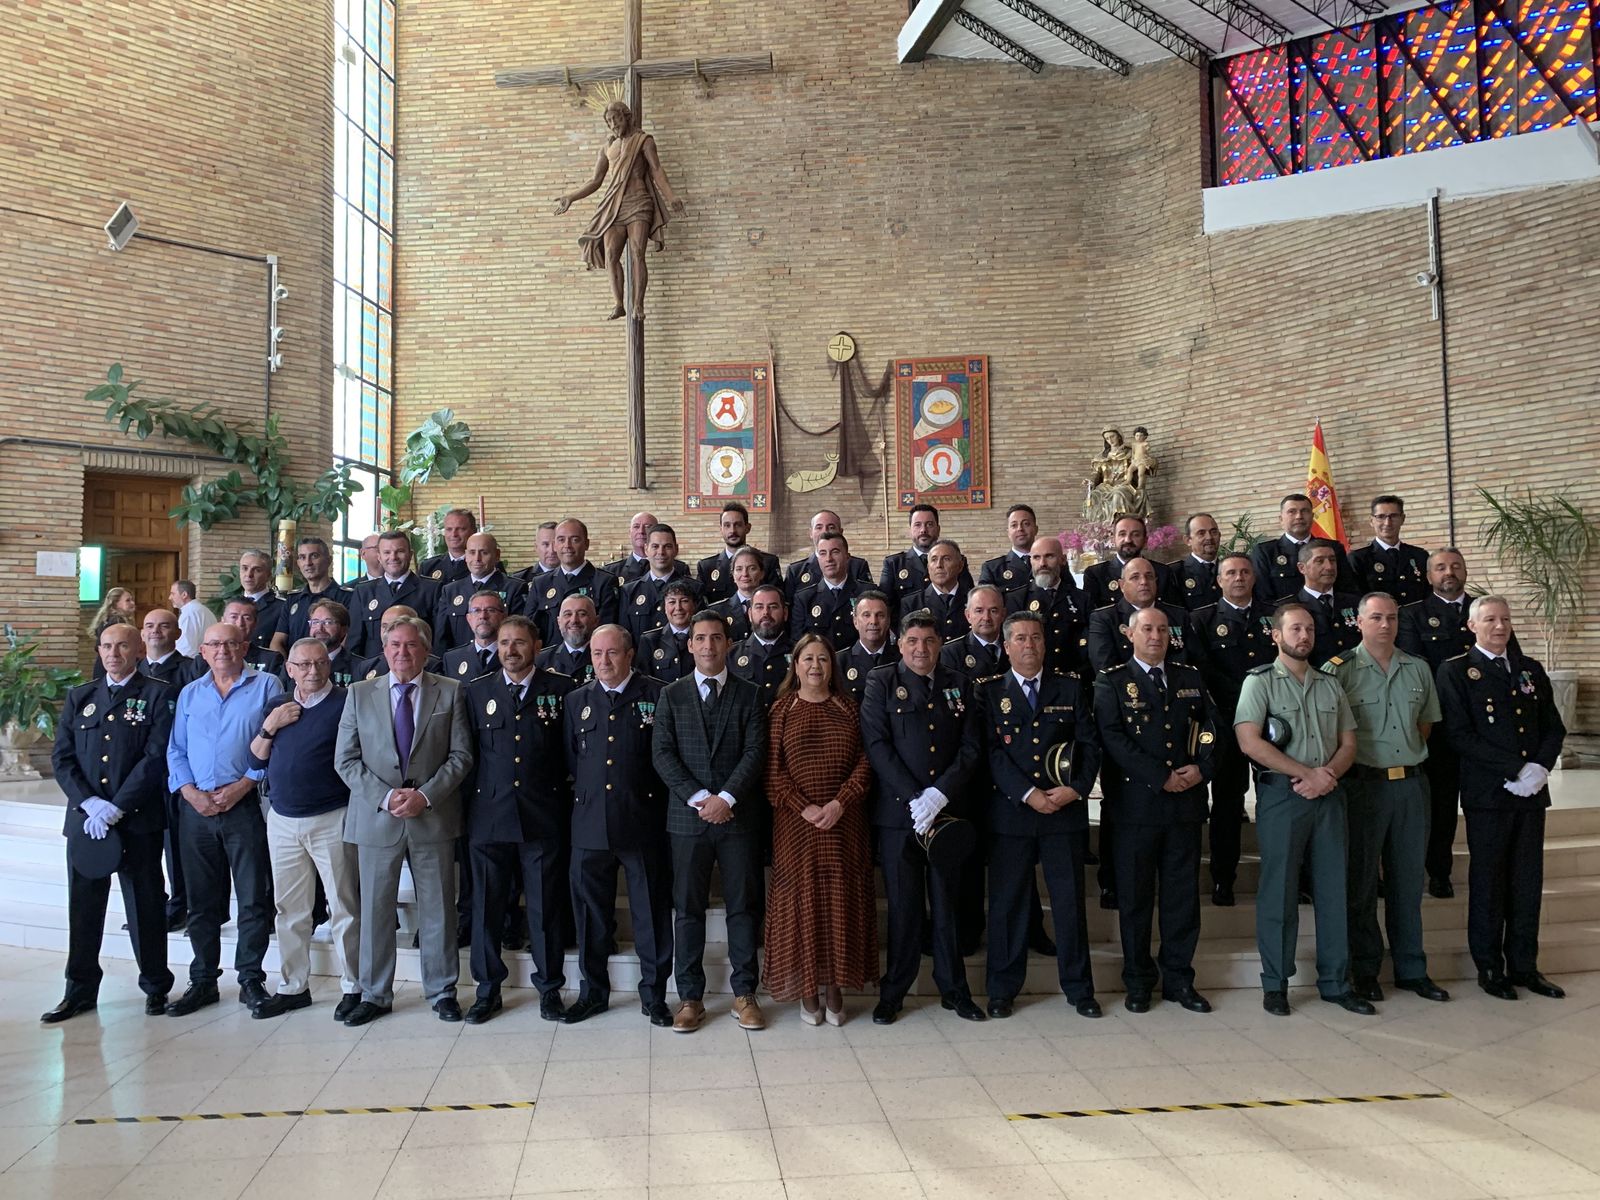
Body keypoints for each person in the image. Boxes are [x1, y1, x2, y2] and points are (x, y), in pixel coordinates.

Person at [334, 617, 474, 1024]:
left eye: (411, 645)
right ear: (384, 648)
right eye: (394, 644)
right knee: (376, 911)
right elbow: (345, 759)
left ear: (425, 650)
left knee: (438, 910)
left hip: (432, 817)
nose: (402, 652)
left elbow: (461, 756)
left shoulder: (450, 692)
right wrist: (386, 797)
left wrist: (425, 795)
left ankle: (442, 989)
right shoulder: (359, 694)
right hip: (377, 818)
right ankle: (375, 993)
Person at [1234, 602, 1371, 1017]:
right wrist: (1305, 775)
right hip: (1282, 796)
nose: (1303, 636)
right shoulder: (1259, 683)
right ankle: (1275, 984)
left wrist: (1326, 774)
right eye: (1294, 629)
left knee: (1334, 891)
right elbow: (1249, 741)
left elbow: (1349, 741)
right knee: (1279, 892)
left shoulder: (1330, 684)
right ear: (1276, 635)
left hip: (1329, 794)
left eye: (1309, 629)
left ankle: (1335, 982)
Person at [1436, 596, 1567, 1001]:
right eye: (1490, 619)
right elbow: (1459, 735)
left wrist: (1539, 769)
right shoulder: (1456, 671)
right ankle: (1490, 967)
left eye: (1505, 619)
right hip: (1489, 795)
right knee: (1489, 881)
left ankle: (1525, 965)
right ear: (1472, 626)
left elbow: (1553, 727)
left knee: (1528, 882)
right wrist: (1514, 769)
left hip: (1531, 794)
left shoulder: (1530, 669)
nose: (1499, 626)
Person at [43, 624, 175, 1023]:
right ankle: (79, 990)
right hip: (87, 824)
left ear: (138, 650)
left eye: (121, 646)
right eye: (106, 646)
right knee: (83, 909)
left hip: (136, 822)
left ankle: (155, 986)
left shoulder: (158, 694)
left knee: (146, 907)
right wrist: (90, 804)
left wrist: (117, 806)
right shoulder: (80, 696)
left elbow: (155, 758)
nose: (113, 653)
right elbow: (62, 759)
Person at [1322, 594, 1449, 1004]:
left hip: (1411, 786)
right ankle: (1365, 970)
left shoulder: (1418, 668)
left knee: (1408, 882)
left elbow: (1425, 726)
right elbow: (1329, 735)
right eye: (1375, 617)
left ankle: (1413, 969)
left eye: (1391, 618)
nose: (1384, 625)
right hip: (1364, 787)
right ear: (1358, 622)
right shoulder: (1338, 671)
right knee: (1360, 884)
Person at [861, 610, 982, 1024]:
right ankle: (894, 991)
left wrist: (938, 794)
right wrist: (915, 799)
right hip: (899, 817)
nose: (921, 649)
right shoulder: (881, 682)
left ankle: (955, 990)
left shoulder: (960, 685)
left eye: (929, 641)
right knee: (904, 907)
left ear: (940, 645)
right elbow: (876, 744)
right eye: (912, 641)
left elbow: (970, 748)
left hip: (947, 815)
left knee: (948, 905)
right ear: (900, 645)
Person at [981, 612, 1102, 1020]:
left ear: (1045, 644)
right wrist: (1029, 794)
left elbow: (1090, 743)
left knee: (1069, 905)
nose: (1028, 645)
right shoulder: (990, 691)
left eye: (1035, 637)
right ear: (1007, 645)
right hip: (1012, 814)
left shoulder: (1069, 687)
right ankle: (1002, 989)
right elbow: (991, 753)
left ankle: (1080, 989)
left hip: (1064, 814)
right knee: (1008, 906)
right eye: (1019, 638)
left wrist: (1077, 788)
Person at [652, 611, 768, 1033]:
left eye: (716, 638)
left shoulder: (752, 695)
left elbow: (756, 751)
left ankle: (744, 993)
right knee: (688, 910)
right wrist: (703, 799)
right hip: (687, 819)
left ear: (729, 644)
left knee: (743, 907)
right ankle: (689, 998)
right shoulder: (671, 695)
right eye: (700, 638)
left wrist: (727, 798)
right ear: (689, 645)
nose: (707, 646)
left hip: (738, 818)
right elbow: (662, 754)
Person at [1095, 607, 1215, 1014]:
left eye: (1163, 629)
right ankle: (1139, 981)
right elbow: (1112, 738)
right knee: (1135, 900)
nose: (1156, 636)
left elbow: (1213, 729)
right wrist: (1158, 777)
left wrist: (1202, 768)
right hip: (1136, 809)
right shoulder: (1112, 681)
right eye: (1147, 629)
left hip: (1184, 806)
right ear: (1130, 633)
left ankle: (1180, 980)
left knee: (1182, 900)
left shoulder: (1190, 677)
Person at [462, 615, 577, 1023]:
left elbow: (571, 755)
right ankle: (487, 989)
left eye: (519, 643)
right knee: (487, 908)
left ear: (537, 645)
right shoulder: (476, 693)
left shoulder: (562, 690)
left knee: (545, 909)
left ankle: (549, 989)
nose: (510, 650)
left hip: (542, 816)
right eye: (504, 642)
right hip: (488, 817)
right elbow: (468, 757)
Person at [165, 622, 283, 1015]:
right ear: (202, 651)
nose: (223, 651)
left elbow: (277, 745)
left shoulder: (267, 687)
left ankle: (251, 978)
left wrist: (245, 784)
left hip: (243, 805)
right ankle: (202, 980)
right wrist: (189, 792)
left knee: (252, 898)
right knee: (201, 901)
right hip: (196, 809)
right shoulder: (189, 694)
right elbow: (175, 750)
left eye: (231, 643)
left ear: (245, 646)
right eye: (214, 644)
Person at [563, 625, 674, 1026]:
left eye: (611, 653)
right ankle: (593, 993)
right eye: (596, 654)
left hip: (642, 820)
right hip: (590, 823)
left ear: (629, 654)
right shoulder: (577, 700)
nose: (603, 661)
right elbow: (572, 760)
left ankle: (654, 995)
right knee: (591, 916)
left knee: (650, 913)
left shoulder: (657, 695)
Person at [246, 637, 362, 1020]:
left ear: (328, 667)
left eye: (319, 664)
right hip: (281, 819)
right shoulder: (277, 705)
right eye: (303, 665)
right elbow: (255, 758)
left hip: (331, 816)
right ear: (290, 669)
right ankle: (294, 986)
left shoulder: (346, 702)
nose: (312, 671)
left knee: (343, 906)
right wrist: (270, 726)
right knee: (290, 910)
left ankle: (353, 986)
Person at [764, 633, 877, 1024]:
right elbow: (772, 773)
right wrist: (805, 807)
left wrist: (839, 803)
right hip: (796, 826)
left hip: (844, 822)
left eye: (823, 659)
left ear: (834, 666)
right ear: (795, 666)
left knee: (840, 902)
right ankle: (808, 989)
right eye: (808, 659)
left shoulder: (849, 707)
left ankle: (835, 986)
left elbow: (866, 762)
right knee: (803, 904)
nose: (815, 666)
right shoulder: (780, 711)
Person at [1185, 553, 1275, 906]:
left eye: (1244, 572)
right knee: (1227, 802)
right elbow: (1202, 669)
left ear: (1254, 576)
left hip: (1275, 722)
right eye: (1230, 573)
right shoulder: (1201, 619)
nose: (1238, 578)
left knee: (1278, 799)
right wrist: (1246, 699)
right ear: (1219, 580)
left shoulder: (1274, 615)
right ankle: (1224, 877)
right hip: (1227, 722)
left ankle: (1291, 875)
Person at [552, 98, 686, 321]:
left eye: (616, 118)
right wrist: (571, 197)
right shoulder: (607, 148)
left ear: (627, 117)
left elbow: (657, 170)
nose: (613, 124)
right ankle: (618, 304)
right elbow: (595, 181)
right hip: (614, 204)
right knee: (612, 254)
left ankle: (638, 305)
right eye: (609, 121)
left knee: (637, 252)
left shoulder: (644, 141)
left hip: (639, 201)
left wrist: (671, 196)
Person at [1397, 547, 1478, 897]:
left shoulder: (1486, 611)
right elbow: (1418, 672)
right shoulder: (1413, 615)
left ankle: (1486, 870)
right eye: (1441, 568)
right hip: (1440, 726)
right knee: (1441, 805)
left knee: (1482, 805)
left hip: (1483, 729)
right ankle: (1439, 872)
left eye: (1456, 567)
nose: (1450, 573)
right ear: (1428, 576)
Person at [1087, 556, 1191, 674]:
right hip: (1129, 690)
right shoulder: (1105, 619)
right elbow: (1106, 668)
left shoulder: (1178, 615)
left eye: (1149, 576)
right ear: (1122, 585)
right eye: (1135, 577)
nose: (1144, 582)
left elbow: (1197, 661)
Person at [1005, 535, 1090, 681]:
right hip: (1033, 681)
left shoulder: (1082, 599)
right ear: (1030, 561)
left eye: (1049, 556)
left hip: (1074, 681)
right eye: (1036, 558)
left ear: (1063, 560)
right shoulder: (1017, 598)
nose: (1042, 563)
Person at [347, 530, 443, 659]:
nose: (393, 557)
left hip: (417, 669)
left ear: (410, 555)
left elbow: (439, 639)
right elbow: (354, 643)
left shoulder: (432, 589)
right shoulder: (364, 591)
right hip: (375, 672)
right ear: (379, 557)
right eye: (387, 552)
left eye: (400, 551)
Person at [1250, 493, 1356, 606]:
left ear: (1312, 516)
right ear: (1281, 519)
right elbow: (1262, 597)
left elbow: (1347, 589)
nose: (1299, 516)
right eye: (1292, 512)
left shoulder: (1333, 548)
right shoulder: (1265, 552)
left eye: (1304, 511)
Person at [526, 518, 621, 643]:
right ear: (555, 545)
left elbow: (606, 629)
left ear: (586, 544)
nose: (567, 546)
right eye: (561, 540)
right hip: (549, 659)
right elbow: (529, 630)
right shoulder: (540, 583)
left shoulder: (604, 581)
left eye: (575, 539)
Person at [434, 533, 526, 652]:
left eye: (484, 553)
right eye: (472, 552)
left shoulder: (515, 588)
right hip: (460, 663)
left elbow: (518, 633)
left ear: (497, 555)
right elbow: (441, 638)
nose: (477, 559)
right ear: (466, 555)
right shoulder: (451, 591)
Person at [620, 523, 697, 645]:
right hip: (641, 662)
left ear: (676, 549)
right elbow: (624, 637)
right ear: (646, 549)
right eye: (655, 546)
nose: (661, 552)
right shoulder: (629, 591)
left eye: (667, 547)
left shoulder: (695, 588)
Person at [881, 503, 968, 610]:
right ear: (910, 530)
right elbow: (884, 605)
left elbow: (967, 598)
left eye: (929, 524)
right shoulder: (894, 564)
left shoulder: (957, 560)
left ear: (938, 529)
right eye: (917, 525)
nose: (923, 530)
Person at [1348, 495, 1430, 606]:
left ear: (1403, 519)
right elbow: (1354, 600)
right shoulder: (1358, 559)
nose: (1387, 522)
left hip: (1416, 621)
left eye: (1393, 516)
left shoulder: (1420, 556)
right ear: (1371, 521)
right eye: (1381, 517)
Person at [1082, 515, 1175, 610]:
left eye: (1135, 535)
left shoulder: (1163, 572)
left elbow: (1173, 612)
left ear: (1145, 540)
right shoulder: (1096, 574)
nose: (1128, 540)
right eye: (1122, 534)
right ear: (1113, 539)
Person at [794, 531, 869, 649]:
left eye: (835, 552)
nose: (829, 559)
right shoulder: (804, 598)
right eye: (822, 553)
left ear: (847, 557)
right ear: (817, 559)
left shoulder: (866, 593)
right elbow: (798, 642)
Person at [696, 501, 779, 604]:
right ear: (721, 529)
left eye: (738, 525)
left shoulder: (768, 562)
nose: (732, 531)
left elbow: (776, 602)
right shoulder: (706, 567)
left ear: (747, 528)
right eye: (727, 525)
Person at [783, 509, 873, 601]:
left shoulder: (858, 566)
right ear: (810, 533)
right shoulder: (796, 571)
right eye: (819, 527)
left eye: (831, 527)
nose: (825, 531)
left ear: (841, 532)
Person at [728, 583, 793, 707]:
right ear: (750, 614)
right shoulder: (731, 655)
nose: (765, 613)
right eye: (759, 607)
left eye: (773, 607)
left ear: (785, 613)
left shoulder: (800, 653)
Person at [281, 536, 352, 645]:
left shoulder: (348, 597)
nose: (308, 563)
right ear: (298, 563)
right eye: (302, 557)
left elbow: (349, 639)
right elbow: (277, 641)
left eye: (314, 556)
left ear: (329, 560)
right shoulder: (292, 599)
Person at [901, 539, 972, 642]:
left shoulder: (973, 601)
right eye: (934, 559)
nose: (939, 565)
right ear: (928, 567)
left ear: (960, 566)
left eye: (946, 559)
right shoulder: (911, 603)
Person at [836, 590, 898, 702]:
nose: (873, 621)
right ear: (855, 622)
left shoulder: (902, 658)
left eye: (880, 615)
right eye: (866, 615)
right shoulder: (839, 662)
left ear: (888, 621)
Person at [941, 584, 1009, 678]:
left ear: (1003, 615)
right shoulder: (951, 653)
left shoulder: (1015, 646)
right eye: (979, 611)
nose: (986, 618)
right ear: (968, 615)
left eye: (993, 611)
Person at [441, 590, 508, 682]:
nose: (483, 616)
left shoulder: (513, 655)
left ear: (503, 617)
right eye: (476, 611)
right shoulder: (452, 659)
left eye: (491, 610)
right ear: (469, 619)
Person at [638, 580, 697, 683]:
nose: (678, 608)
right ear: (665, 608)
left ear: (694, 606)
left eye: (684, 601)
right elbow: (644, 681)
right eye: (672, 602)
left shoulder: (703, 638)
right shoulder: (650, 640)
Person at [707, 545, 767, 641]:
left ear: (762, 573)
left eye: (752, 568)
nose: (745, 574)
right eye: (739, 569)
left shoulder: (773, 608)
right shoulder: (717, 611)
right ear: (733, 574)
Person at [538, 593, 599, 684]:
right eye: (568, 614)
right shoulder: (540, 660)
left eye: (582, 614)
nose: (574, 620)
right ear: (559, 622)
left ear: (595, 621)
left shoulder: (607, 659)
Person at [978, 503, 1038, 594]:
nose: (1020, 529)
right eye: (1014, 525)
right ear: (1008, 533)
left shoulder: (1052, 562)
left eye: (1026, 524)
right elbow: (984, 602)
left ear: (1036, 529)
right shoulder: (992, 568)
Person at [237, 550, 287, 656]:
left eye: (257, 570)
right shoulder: (232, 606)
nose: (249, 575)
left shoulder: (282, 608)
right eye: (244, 568)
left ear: (269, 575)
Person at [1172, 513, 1222, 610]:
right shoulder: (1176, 573)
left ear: (1219, 536)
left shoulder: (1230, 570)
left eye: (1213, 532)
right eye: (1201, 533)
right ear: (1188, 540)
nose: (1209, 537)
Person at [308, 599, 360, 687]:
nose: (320, 629)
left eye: (328, 622)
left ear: (344, 630)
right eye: (315, 622)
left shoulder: (358, 667)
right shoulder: (295, 663)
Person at [418, 507, 477, 583]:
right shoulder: (428, 567)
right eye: (449, 529)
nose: (454, 534)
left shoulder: (482, 565)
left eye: (460, 529)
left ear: (474, 531)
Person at [602, 510, 659, 583]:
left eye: (647, 527)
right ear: (629, 533)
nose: (641, 531)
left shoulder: (675, 568)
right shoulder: (609, 572)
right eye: (636, 526)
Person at [170, 580, 217, 658]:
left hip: (192, 663)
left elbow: (185, 648)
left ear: (184, 594)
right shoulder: (203, 610)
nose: (170, 597)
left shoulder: (189, 613)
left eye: (173, 594)